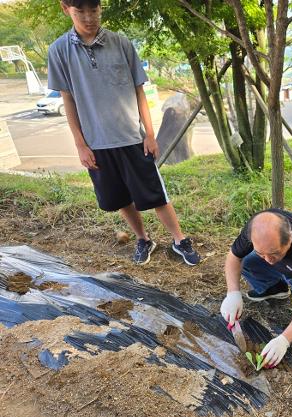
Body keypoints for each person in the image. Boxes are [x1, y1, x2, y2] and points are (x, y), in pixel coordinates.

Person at [47, 0, 200, 266]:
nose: (88, 17)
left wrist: (149, 134)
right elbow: (67, 99)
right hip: (96, 143)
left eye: (93, 10)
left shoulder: (121, 43)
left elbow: (139, 90)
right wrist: (81, 145)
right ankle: (143, 238)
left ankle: (179, 240)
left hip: (132, 137)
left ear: (100, 8)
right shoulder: (59, 51)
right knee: (118, 197)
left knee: (155, 194)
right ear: (65, 9)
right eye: (80, 11)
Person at [220, 210, 292, 368]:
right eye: (262, 253)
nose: (268, 261)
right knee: (247, 261)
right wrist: (232, 292)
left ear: (289, 239)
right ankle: (275, 288)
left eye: (274, 253)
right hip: (286, 266)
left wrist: (284, 340)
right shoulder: (256, 229)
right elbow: (234, 256)